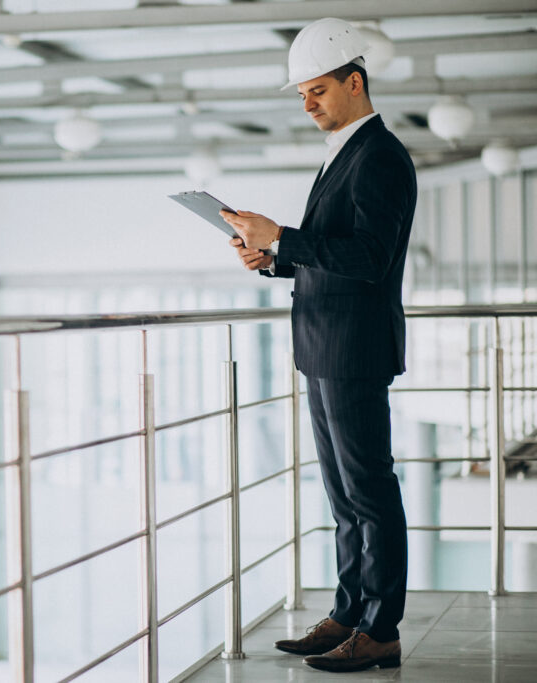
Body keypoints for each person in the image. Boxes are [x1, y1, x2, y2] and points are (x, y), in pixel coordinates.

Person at [220, 17, 416, 673]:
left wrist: (285, 234)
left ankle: (380, 627)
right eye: (302, 93)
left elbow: (369, 256)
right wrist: (272, 257)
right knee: (343, 496)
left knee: (369, 492)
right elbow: (335, 254)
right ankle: (349, 609)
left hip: (354, 349)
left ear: (354, 82)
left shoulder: (380, 155)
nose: (306, 105)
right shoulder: (347, 152)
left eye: (317, 91)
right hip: (325, 346)